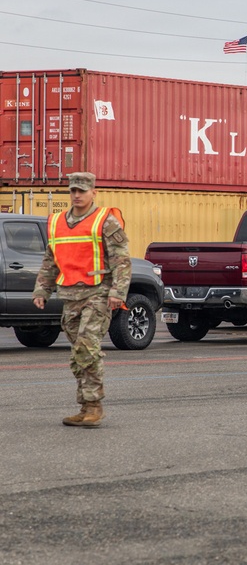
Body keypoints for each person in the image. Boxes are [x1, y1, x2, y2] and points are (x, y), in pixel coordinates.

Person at [32, 172, 132, 427]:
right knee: (79, 353)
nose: (77, 195)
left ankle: (94, 406)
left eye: (82, 191)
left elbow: (121, 261)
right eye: (73, 191)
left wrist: (117, 293)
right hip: (70, 296)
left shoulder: (104, 220)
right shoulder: (56, 222)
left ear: (93, 193)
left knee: (87, 347)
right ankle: (85, 406)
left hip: (97, 294)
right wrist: (42, 290)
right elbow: (50, 260)